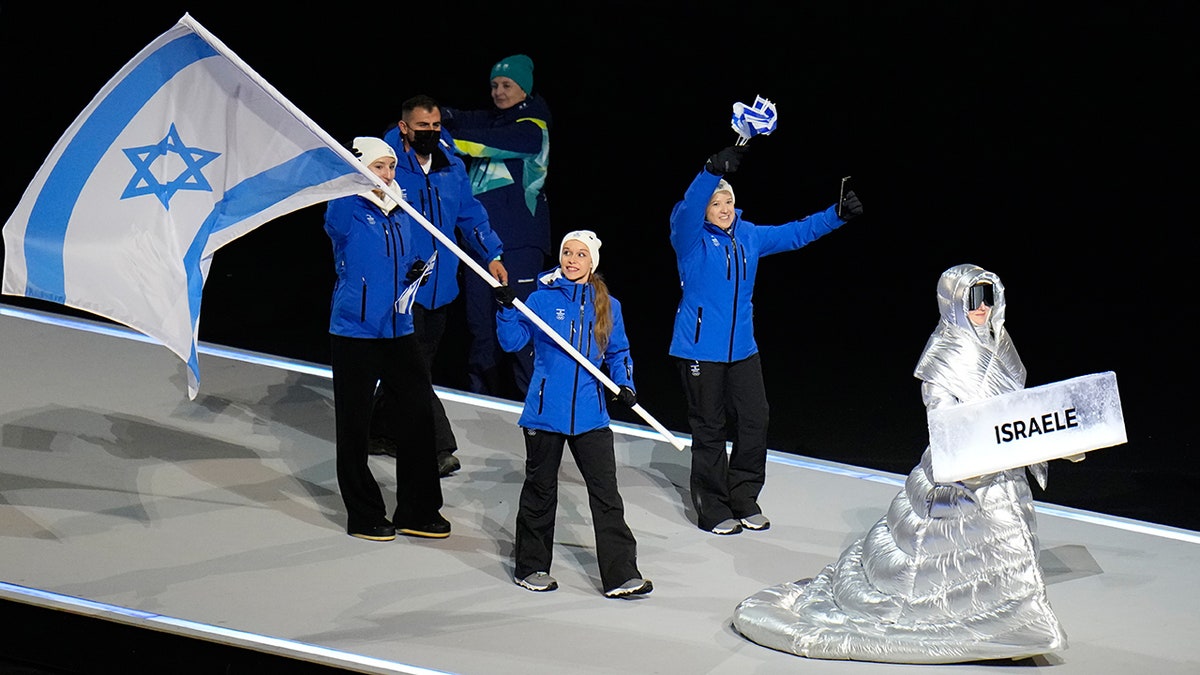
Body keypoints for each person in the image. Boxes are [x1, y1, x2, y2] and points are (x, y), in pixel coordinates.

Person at [731, 264, 1067, 663]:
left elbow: (1017, 408)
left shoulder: (1000, 345)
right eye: (974, 298)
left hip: (1001, 464)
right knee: (995, 539)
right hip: (964, 468)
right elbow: (941, 418)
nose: (982, 307)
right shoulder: (945, 355)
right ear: (955, 302)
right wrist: (976, 449)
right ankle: (1013, 628)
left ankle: (1017, 627)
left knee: (1008, 545)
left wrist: (1050, 439)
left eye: (988, 297)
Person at [669, 145, 861, 535]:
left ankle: (743, 496)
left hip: (742, 349)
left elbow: (795, 234)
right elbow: (687, 208)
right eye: (715, 202)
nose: (723, 208)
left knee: (756, 421)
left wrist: (835, 216)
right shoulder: (690, 239)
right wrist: (709, 171)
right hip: (699, 350)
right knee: (710, 427)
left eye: (727, 201)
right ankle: (713, 508)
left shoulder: (749, 236)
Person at [493, 230, 651, 598]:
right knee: (540, 491)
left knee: (607, 495)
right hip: (546, 412)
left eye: (580, 254)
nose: (572, 259)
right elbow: (512, 341)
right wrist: (505, 309)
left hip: (592, 416)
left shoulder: (609, 305)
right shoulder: (541, 299)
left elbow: (618, 352)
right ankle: (531, 568)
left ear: (591, 262)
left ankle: (621, 575)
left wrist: (624, 384)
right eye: (567, 252)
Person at [368, 94, 508, 478]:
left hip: (441, 287)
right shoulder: (387, 166)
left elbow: (469, 213)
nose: (430, 133)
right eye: (421, 127)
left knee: (415, 365)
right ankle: (437, 446)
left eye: (435, 126)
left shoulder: (451, 167)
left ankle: (378, 432)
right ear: (404, 127)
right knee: (414, 370)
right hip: (402, 288)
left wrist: (491, 255)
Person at [323, 136, 450, 541]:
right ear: (361, 168)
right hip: (356, 330)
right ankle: (363, 513)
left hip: (399, 327)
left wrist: (415, 270)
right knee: (355, 425)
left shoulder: (401, 206)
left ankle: (417, 510)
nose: (388, 174)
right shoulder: (345, 205)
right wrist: (351, 177)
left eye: (391, 166)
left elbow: (401, 256)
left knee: (417, 416)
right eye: (379, 167)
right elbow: (344, 234)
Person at [441, 54, 552, 401]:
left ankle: (535, 407)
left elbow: (482, 142)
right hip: (480, 245)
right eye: (494, 85)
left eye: (506, 85)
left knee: (520, 325)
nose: (498, 92)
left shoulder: (533, 128)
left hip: (519, 244)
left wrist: (440, 137)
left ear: (524, 89)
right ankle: (481, 399)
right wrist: (435, 116)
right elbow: (461, 117)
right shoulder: (495, 119)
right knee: (481, 330)